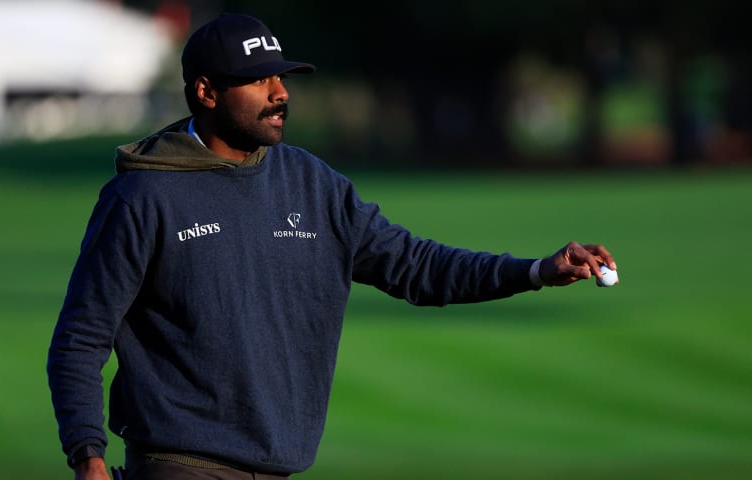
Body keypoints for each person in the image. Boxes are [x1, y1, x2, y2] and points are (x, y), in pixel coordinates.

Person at [47, 12, 617, 480]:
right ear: (206, 92)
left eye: (282, 78)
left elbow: (418, 267)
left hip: (280, 466)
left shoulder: (312, 183)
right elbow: (80, 337)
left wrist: (538, 270)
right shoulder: (143, 196)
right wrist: (88, 460)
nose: (280, 93)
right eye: (259, 81)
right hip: (181, 464)